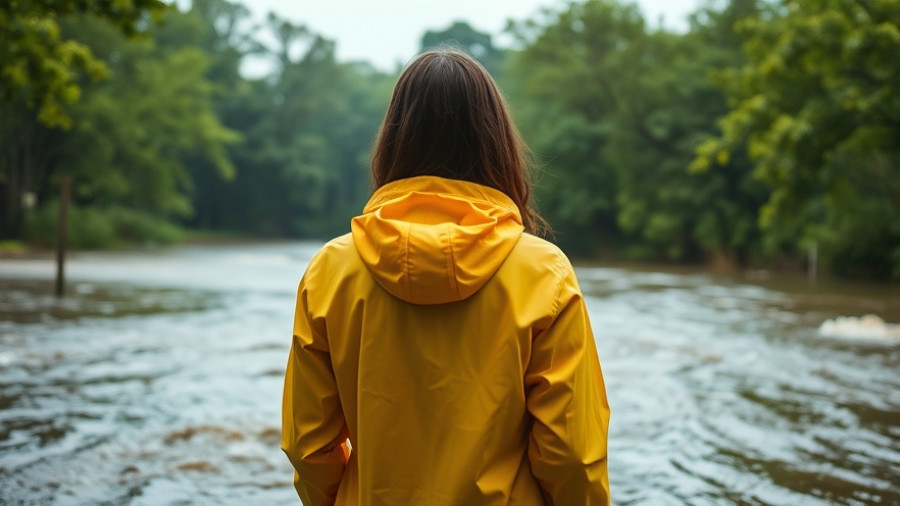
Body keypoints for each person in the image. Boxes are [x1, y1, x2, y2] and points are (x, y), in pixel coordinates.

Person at [281, 49, 610, 505]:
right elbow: (571, 455)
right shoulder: (543, 273)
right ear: (496, 143)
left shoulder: (331, 270)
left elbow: (308, 445)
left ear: (394, 140)